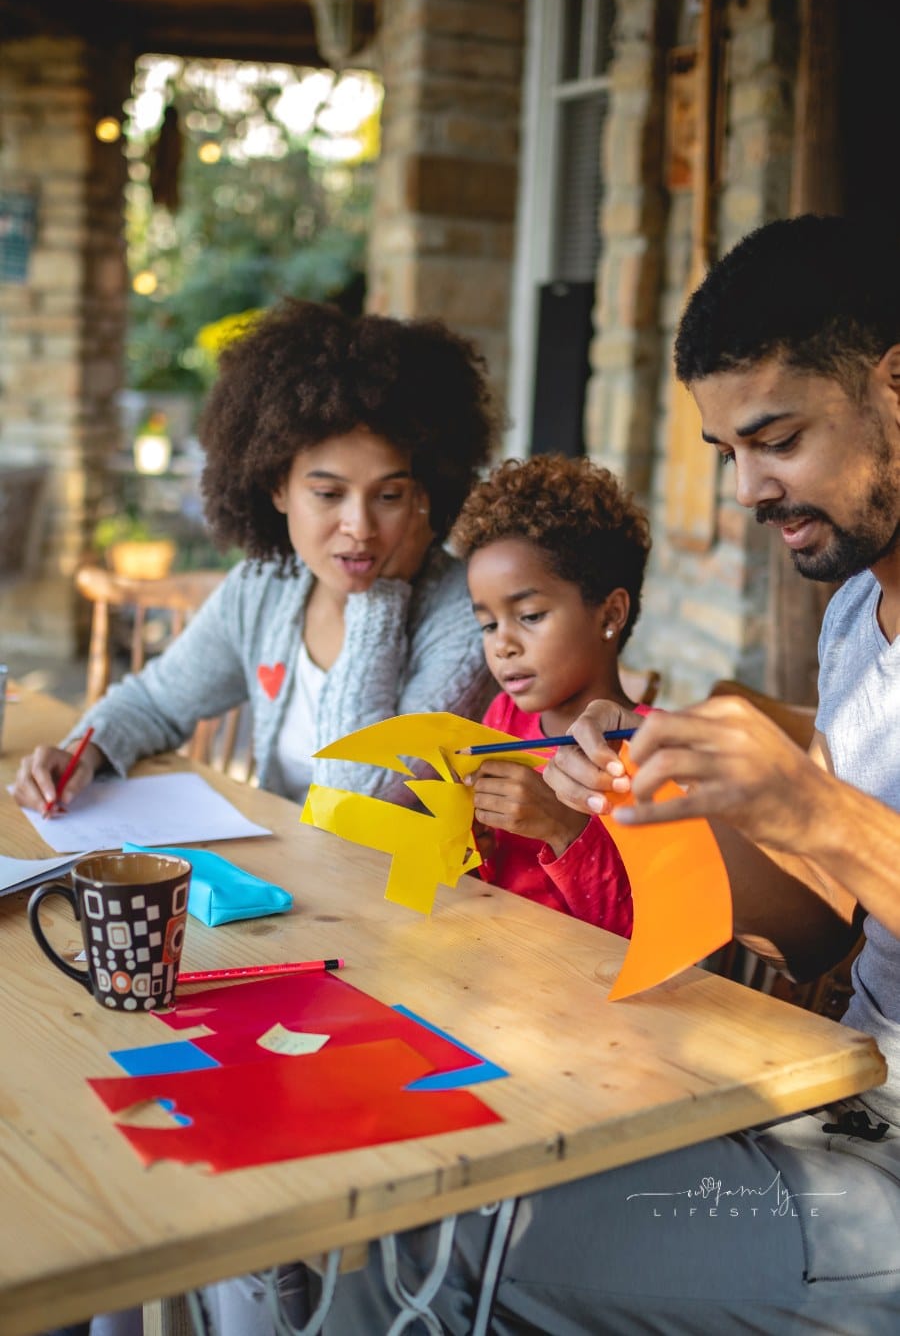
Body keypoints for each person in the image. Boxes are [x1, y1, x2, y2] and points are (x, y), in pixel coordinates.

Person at [286, 216, 900, 1333]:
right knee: (344, 1155)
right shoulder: (857, 612)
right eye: (728, 455)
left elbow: (841, 842)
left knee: (401, 1216)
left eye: (779, 438)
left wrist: (813, 805)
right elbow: (819, 934)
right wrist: (674, 813)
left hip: (878, 1185)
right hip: (832, 1094)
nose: (749, 491)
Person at [13, 299, 500, 816]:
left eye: (388, 496)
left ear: (424, 494)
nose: (360, 527)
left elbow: (357, 806)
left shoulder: (467, 620)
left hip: (387, 893)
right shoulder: (267, 584)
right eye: (329, 495)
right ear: (277, 489)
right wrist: (80, 753)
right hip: (278, 876)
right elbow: (154, 702)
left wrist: (381, 600)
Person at [449, 452, 650, 935]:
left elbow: (644, 934)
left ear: (610, 614)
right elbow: (492, 887)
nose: (502, 644)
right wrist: (472, 843)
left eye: (531, 615)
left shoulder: (651, 748)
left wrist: (564, 828)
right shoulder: (502, 719)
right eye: (488, 624)